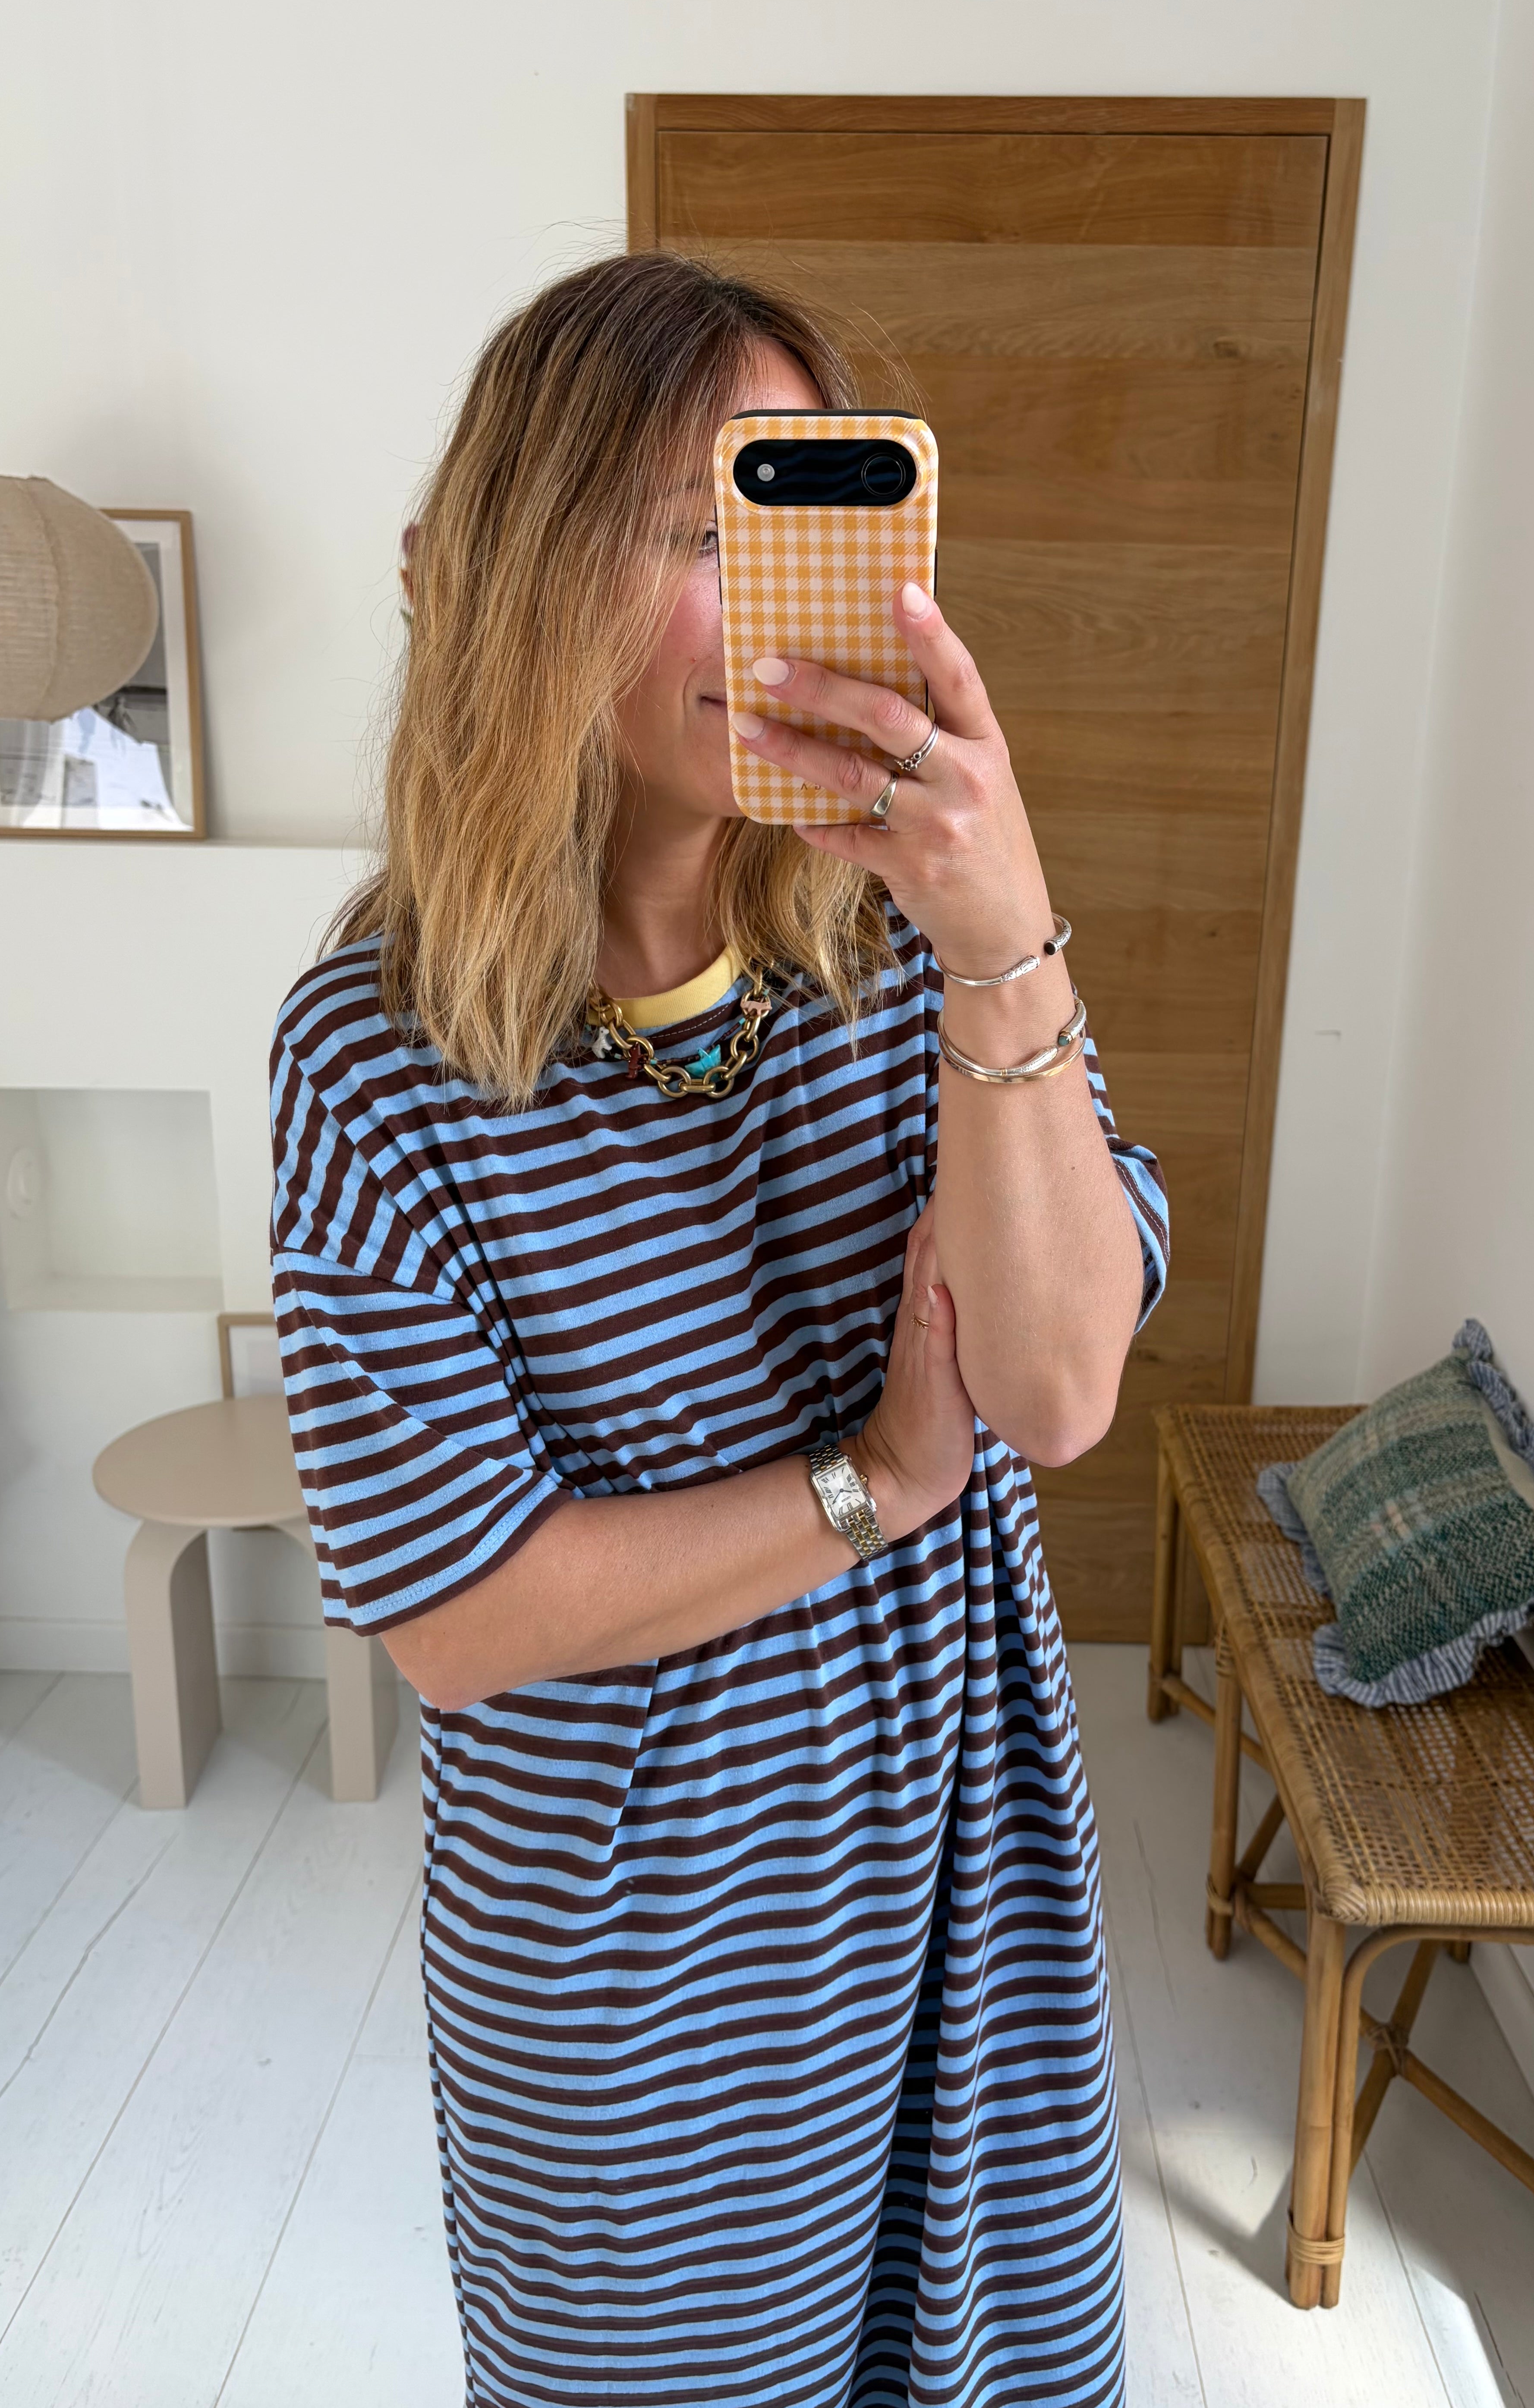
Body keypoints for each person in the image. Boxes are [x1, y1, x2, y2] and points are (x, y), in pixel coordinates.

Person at [271, 250, 1168, 2408]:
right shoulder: (382, 1058)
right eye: (701, 531)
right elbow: (461, 1618)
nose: (775, 607)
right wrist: (878, 1480)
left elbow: (1059, 1387)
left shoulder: (911, 950)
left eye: (802, 525)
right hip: (645, 1996)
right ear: (524, 578)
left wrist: (1005, 934)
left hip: (964, 1897)